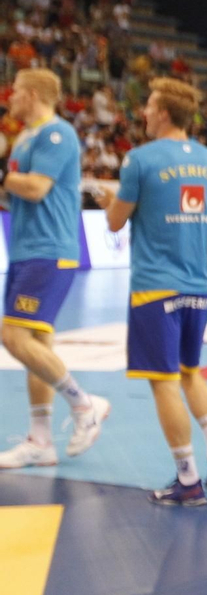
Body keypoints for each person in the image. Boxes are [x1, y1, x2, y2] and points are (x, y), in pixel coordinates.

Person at [101, 79, 207, 505]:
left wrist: (110, 199)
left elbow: (116, 222)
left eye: (149, 106)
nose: (143, 113)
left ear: (163, 113)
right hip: (198, 284)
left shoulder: (139, 160)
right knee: (190, 371)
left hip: (155, 287)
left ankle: (188, 478)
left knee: (163, 382)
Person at [0, 70, 112, 470]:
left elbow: (35, 188)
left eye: (14, 91)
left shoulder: (57, 134)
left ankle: (85, 404)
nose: (9, 97)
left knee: (11, 335)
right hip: (26, 249)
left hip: (49, 250)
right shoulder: (24, 137)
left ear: (31, 95)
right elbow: (13, 191)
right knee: (36, 349)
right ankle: (40, 441)